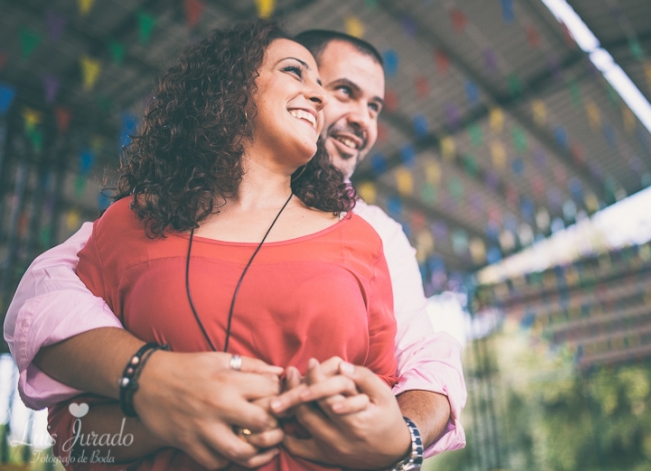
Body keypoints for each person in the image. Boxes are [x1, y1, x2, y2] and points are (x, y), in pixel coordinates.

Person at [4, 28, 466, 468]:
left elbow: (423, 363)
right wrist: (152, 384)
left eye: (376, 107)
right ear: (238, 83)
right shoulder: (139, 220)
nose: (360, 118)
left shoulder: (371, 233)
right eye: (342, 90)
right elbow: (43, 310)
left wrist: (402, 443)